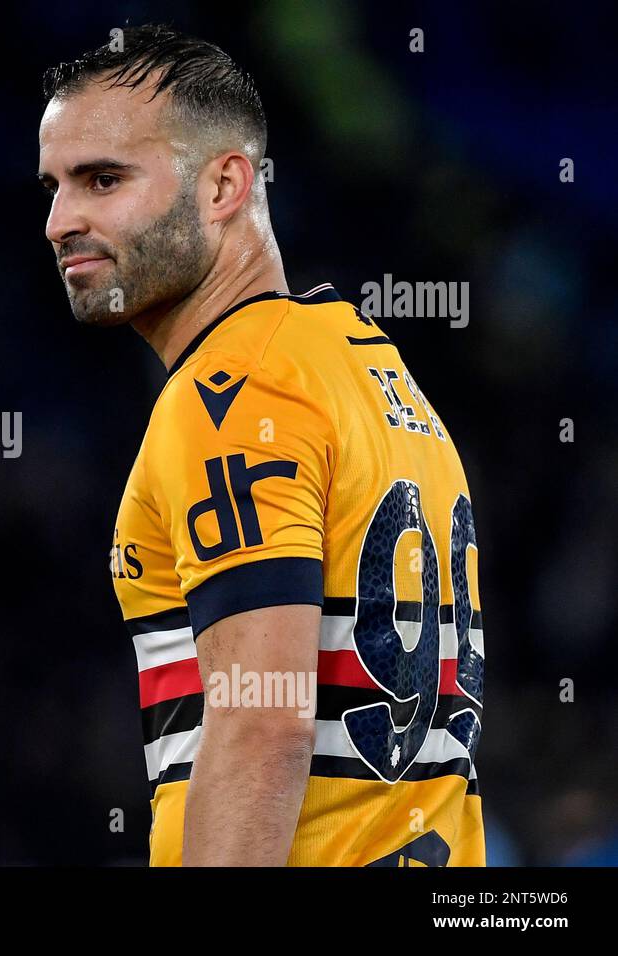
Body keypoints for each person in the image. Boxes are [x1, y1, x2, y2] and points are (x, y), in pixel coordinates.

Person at [37, 26, 485, 865]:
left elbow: (262, 719)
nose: (62, 220)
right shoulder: (368, 370)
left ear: (224, 186)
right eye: (54, 187)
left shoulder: (235, 393)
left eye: (103, 179)